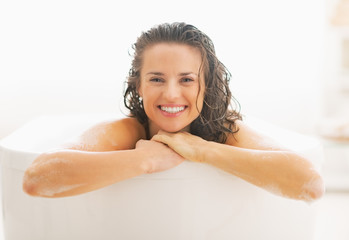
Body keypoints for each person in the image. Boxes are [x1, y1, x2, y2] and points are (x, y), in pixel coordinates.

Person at [22, 22, 324, 201]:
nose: (170, 94)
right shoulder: (128, 132)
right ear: (138, 86)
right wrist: (144, 160)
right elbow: (38, 178)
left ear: (206, 87)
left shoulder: (225, 131)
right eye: (156, 79)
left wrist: (203, 151)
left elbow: (309, 183)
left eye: (187, 80)